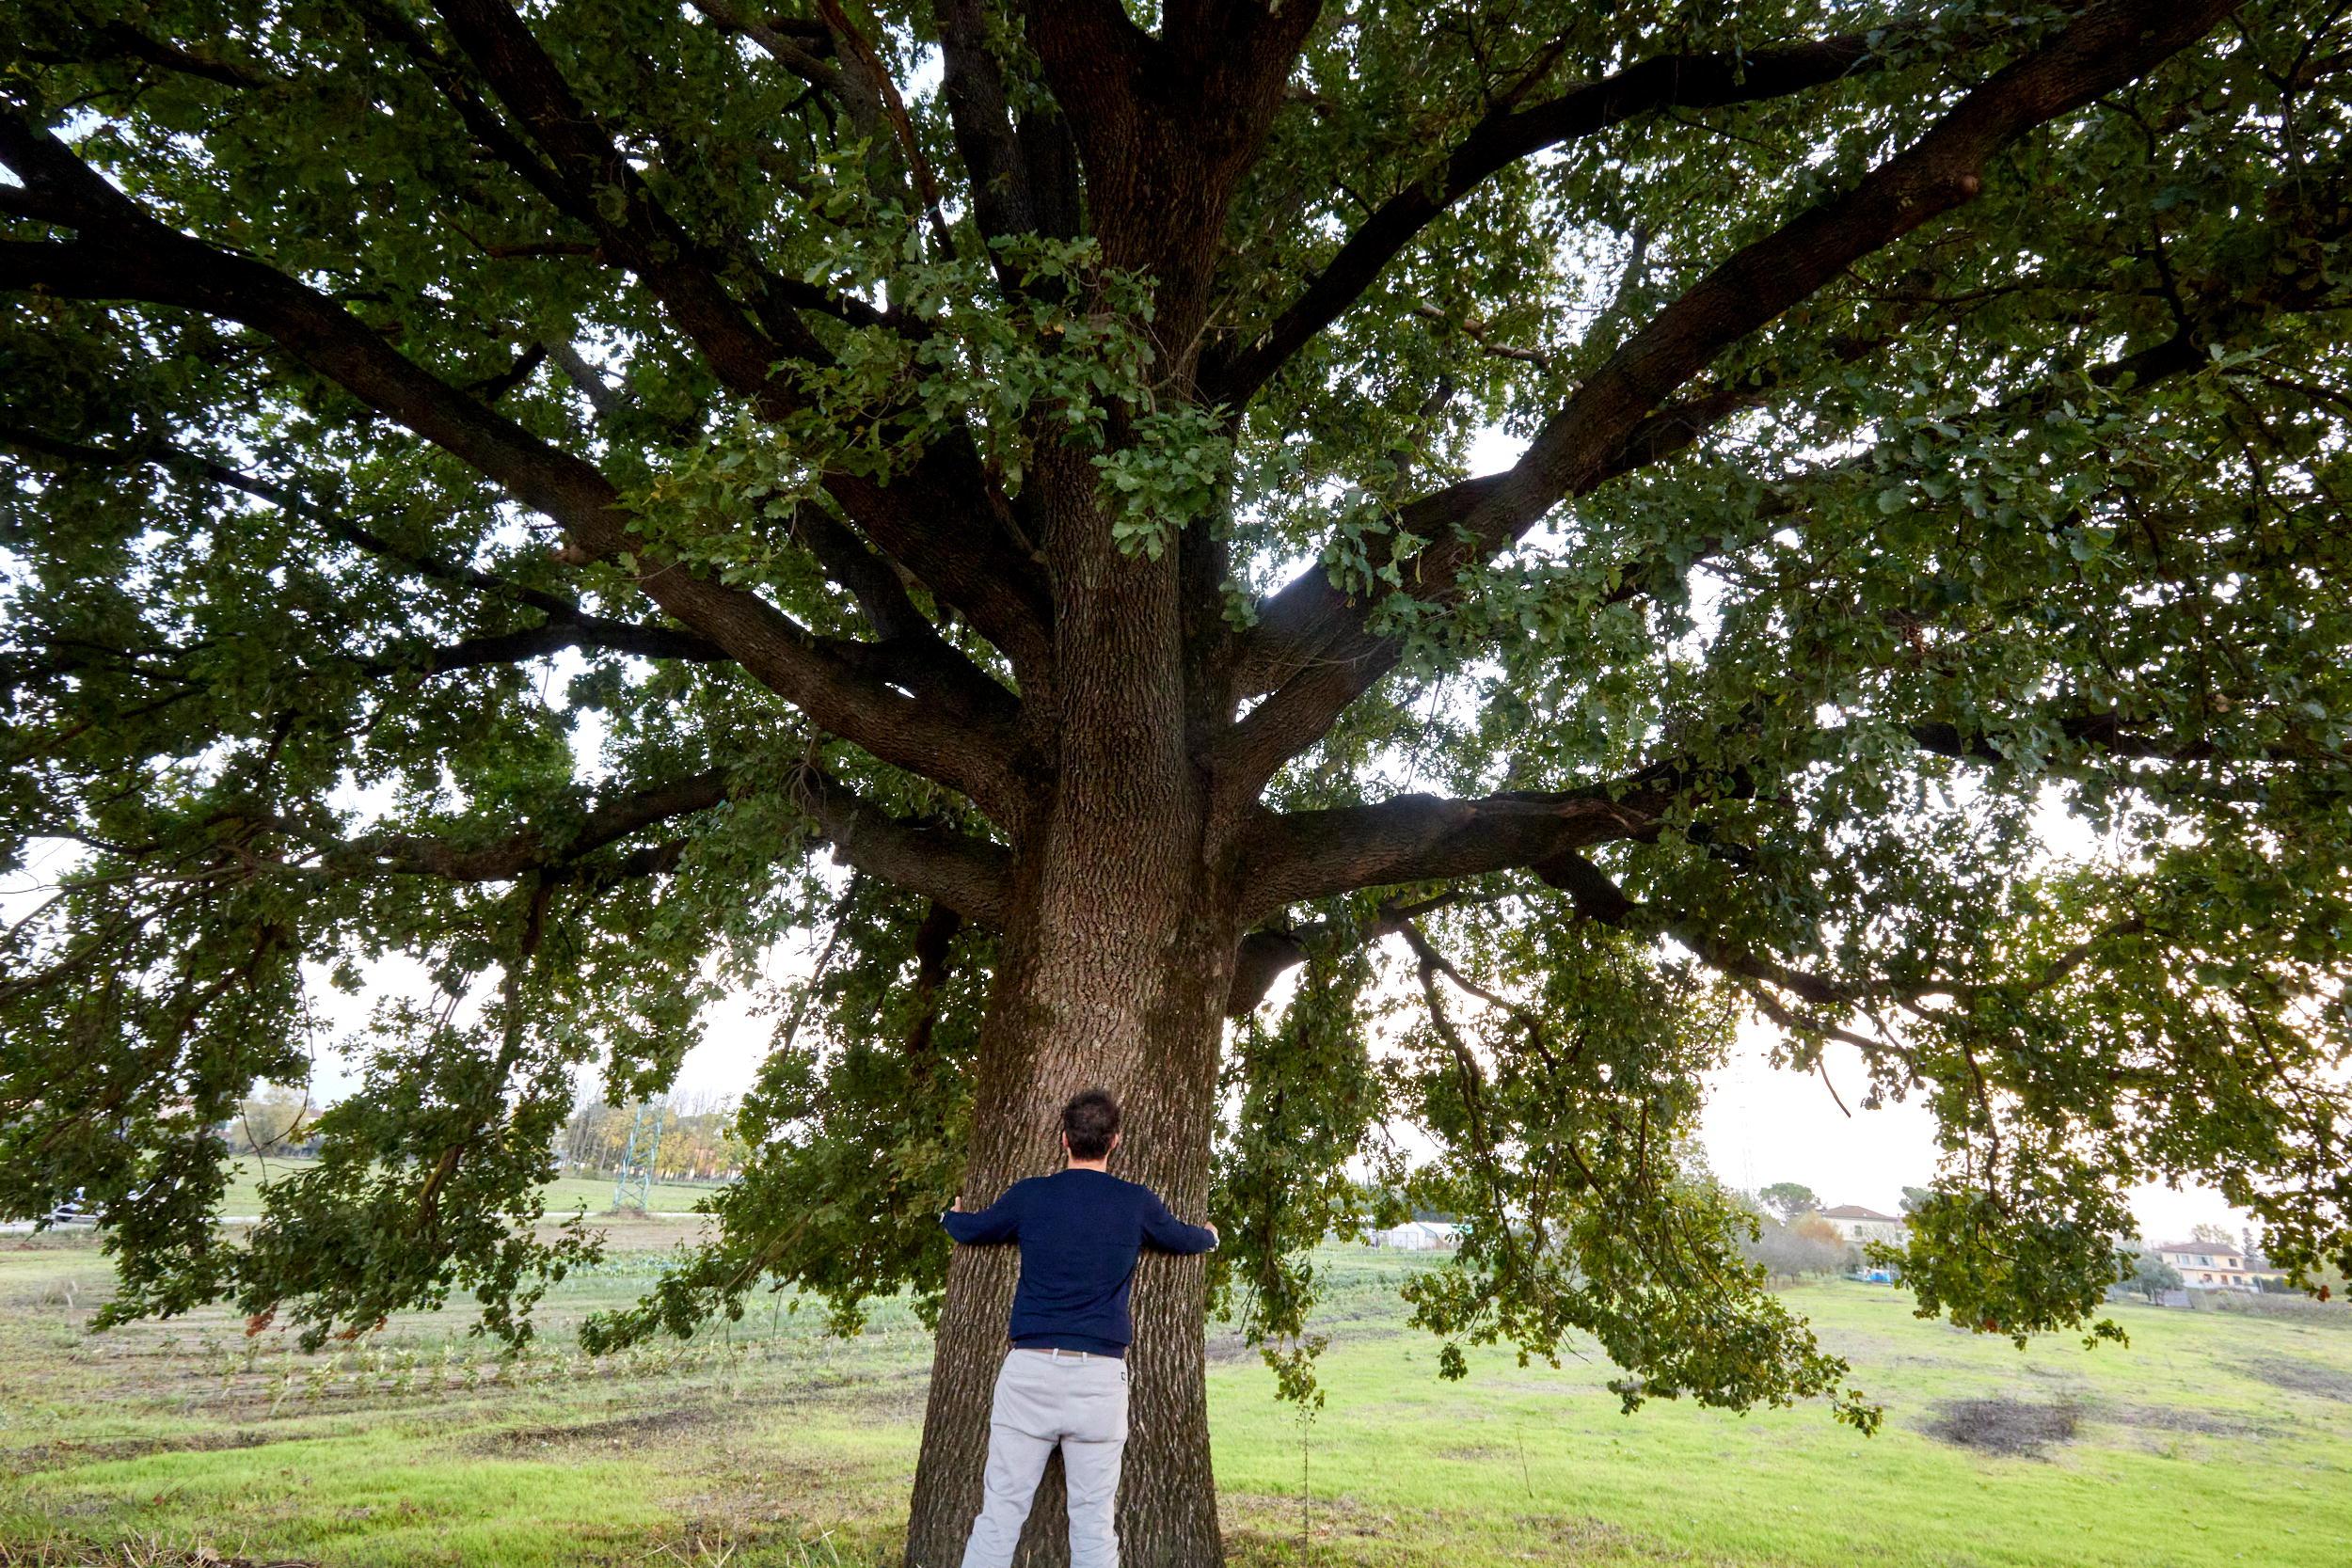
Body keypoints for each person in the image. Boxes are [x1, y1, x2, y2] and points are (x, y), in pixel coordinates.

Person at [940, 1088, 1219, 1568]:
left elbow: (974, 1229)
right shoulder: (1136, 1203)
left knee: (1001, 1515)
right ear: (1115, 1142)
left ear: (1063, 1139)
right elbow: (1181, 1238)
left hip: (1029, 1375)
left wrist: (950, 1216)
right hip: (1098, 1381)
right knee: (1093, 1524)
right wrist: (1210, 1237)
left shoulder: (1030, 1196)